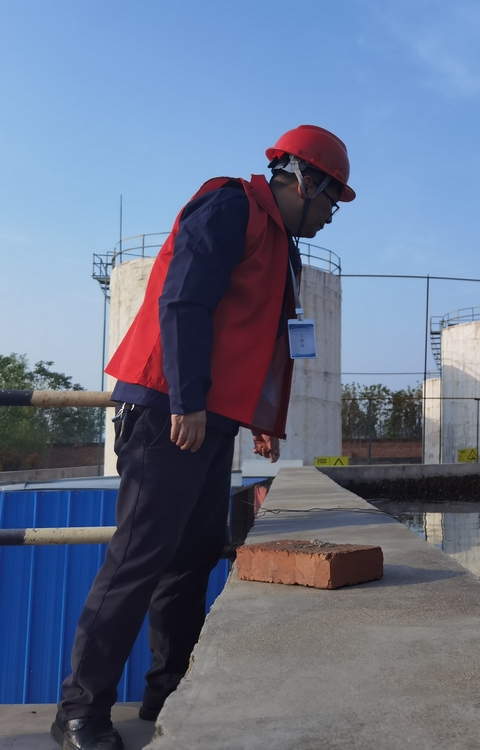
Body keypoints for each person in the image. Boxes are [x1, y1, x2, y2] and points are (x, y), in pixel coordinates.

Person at [51, 126, 355, 750]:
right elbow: (183, 302)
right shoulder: (230, 206)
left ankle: (167, 692)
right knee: (139, 557)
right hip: (168, 410)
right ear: (304, 181)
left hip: (212, 420)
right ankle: (79, 712)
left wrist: (263, 421)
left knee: (192, 558)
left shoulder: (284, 249)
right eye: (331, 201)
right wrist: (186, 399)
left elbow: (265, 341)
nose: (331, 216)